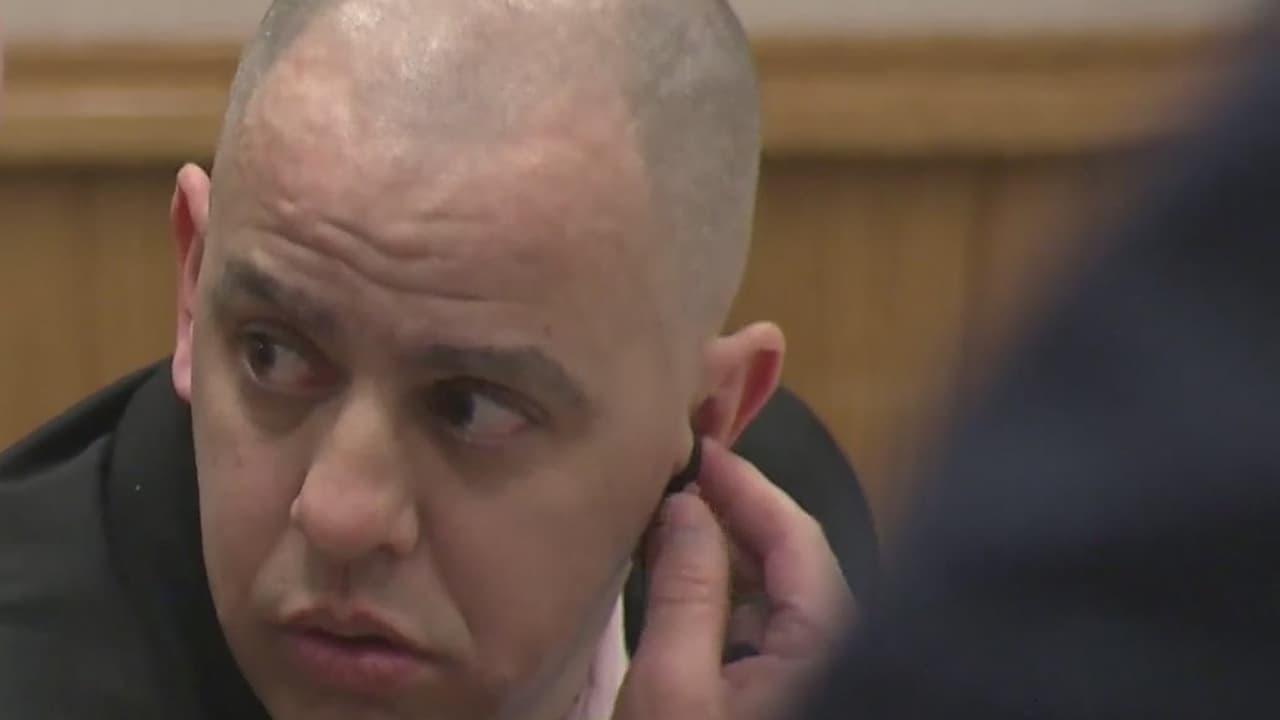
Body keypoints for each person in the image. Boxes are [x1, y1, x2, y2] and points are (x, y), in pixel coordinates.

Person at [0, 1, 869, 719]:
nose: (339, 516)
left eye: (471, 408)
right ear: (195, 289)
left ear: (704, 420)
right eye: (272, 353)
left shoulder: (781, 588)